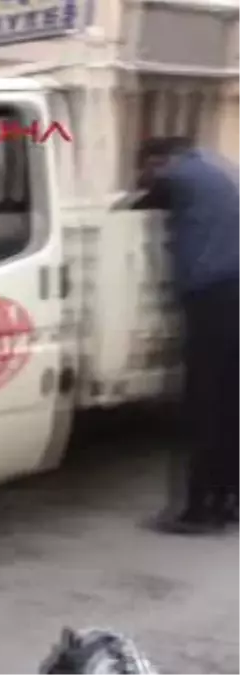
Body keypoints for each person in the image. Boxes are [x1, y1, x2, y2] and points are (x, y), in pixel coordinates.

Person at [138, 136, 240, 534]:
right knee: (232, 402)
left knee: (205, 404)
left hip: (212, 297)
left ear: (159, 160)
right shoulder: (220, 169)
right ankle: (230, 499)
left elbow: (152, 192)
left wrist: (139, 194)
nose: (143, 177)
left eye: (144, 167)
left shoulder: (180, 175)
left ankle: (199, 510)